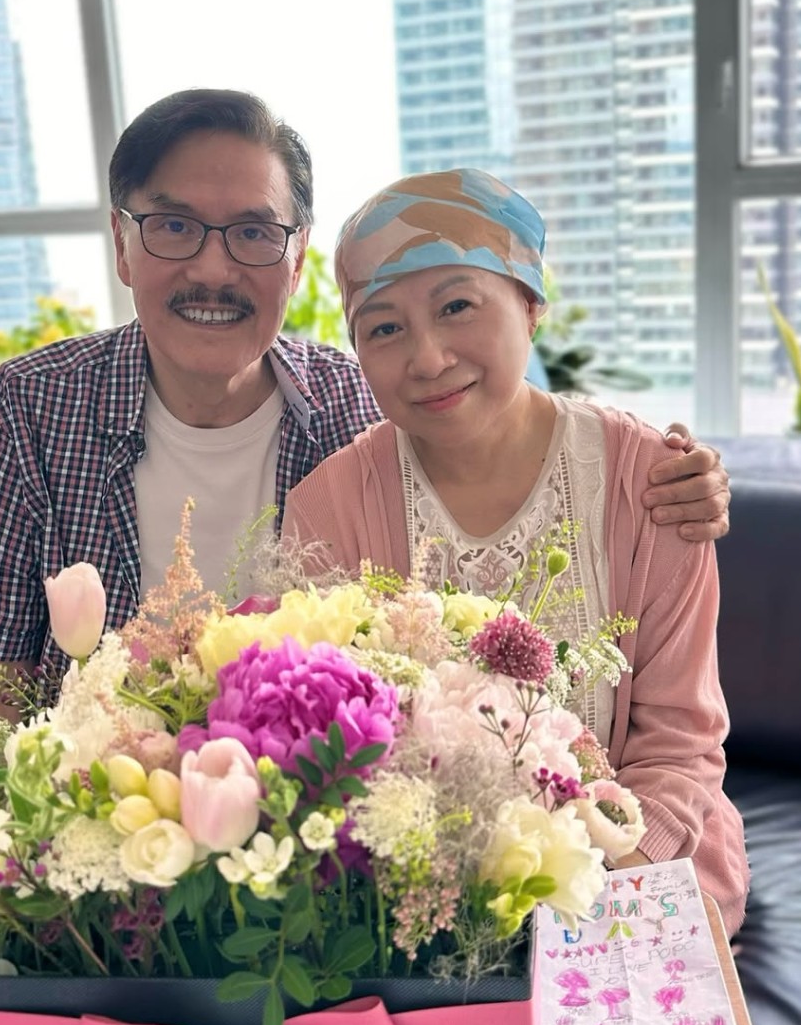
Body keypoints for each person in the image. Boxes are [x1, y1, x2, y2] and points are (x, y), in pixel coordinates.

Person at [0, 88, 731, 727]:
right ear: (122, 243)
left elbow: (521, 440)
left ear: (297, 260)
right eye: (174, 227)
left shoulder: (368, 401)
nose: (214, 270)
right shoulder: (28, 409)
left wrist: (678, 476)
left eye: (253, 233)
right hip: (96, 827)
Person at [281, 167, 749, 935]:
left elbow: (680, 740)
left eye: (457, 306)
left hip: (634, 862)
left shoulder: (650, 482)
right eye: (384, 327)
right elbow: (324, 746)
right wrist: (456, 904)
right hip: (424, 892)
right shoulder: (328, 508)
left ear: (530, 306)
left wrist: (584, 889)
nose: (427, 358)